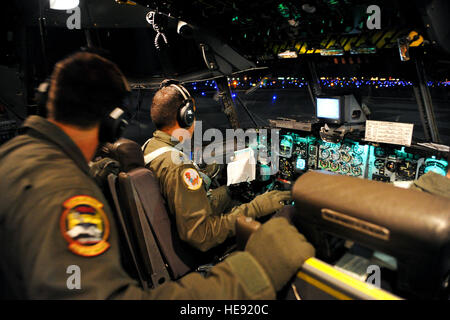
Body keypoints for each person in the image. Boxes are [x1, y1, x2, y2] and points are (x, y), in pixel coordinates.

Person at [0, 51, 315, 299]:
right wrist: (257, 268)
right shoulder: (64, 190)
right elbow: (200, 236)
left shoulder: (14, 156)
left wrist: (230, 191)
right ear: (112, 122)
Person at [142, 81, 292, 253]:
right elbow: (201, 235)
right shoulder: (178, 167)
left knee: (235, 196)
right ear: (186, 116)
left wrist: (230, 191)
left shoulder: (151, 147)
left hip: (172, 232)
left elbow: (186, 203)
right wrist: (257, 207)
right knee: (280, 218)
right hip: (196, 249)